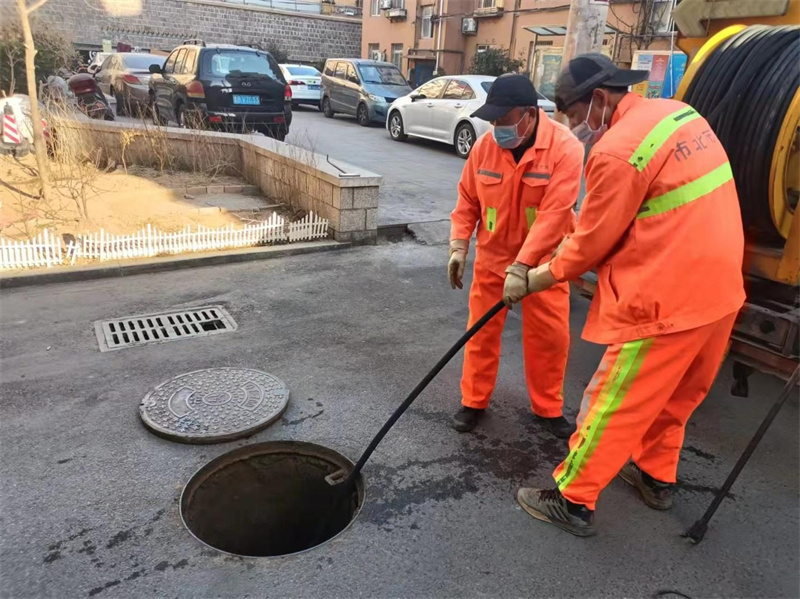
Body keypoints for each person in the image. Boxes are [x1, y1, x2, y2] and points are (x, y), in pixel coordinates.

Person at [513, 53, 745, 536]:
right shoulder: (681, 114)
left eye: (576, 116)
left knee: (615, 401)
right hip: (721, 290)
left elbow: (591, 241)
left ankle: (572, 501)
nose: (578, 128)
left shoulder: (618, 150)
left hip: (667, 299)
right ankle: (656, 478)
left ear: (598, 99)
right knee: (677, 397)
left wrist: (540, 275)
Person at [448, 74, 584, 438]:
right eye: (491, 121)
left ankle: (548, 408)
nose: (495, 128)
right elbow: (467, 200)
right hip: (493, 259)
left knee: (549, 338)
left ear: (528, 114)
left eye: (502, 120)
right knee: (480, 334)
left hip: (543, 265)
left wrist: (523, 266)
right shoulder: (484, 147)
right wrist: (459, 246)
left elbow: (556, 214)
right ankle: (473, 401)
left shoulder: (565, 148)